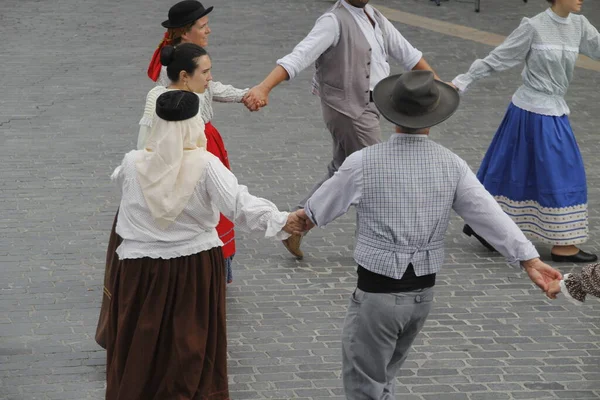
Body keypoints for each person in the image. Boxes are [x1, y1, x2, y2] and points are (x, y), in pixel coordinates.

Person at [296, 70, 562, 399]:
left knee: (364, 386)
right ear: (432, 117)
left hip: (377, 295)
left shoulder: (363, 162)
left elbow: (316, 209)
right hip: (422, 297)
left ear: (391, 113)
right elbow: (488, 214)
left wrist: (292, 222)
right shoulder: (451, 164)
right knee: (386, 379)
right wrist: (529, 259)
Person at [104, 89, 305, 400]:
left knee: (140, 342)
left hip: (139, 269)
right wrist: (282, 220)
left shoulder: (132, 162)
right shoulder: (205, 164)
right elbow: (239, 203)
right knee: (189, 345)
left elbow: (126, 193)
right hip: (193, 268)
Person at [244, 0, 439, 260]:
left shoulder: (374, 15)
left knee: (342, 170)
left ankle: (296, 223)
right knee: (380, 173)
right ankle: (389, 242)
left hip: (370, 106)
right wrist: (264, 87)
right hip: (348, 111)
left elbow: (408, 54)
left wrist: (436, 84)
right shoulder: (333, 21)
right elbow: (298, 57)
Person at [450, 0, 600, 262]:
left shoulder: (580, 25)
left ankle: (487, 228)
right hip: (530, 110)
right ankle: (563, 245)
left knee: (514, 172)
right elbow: (499, 57)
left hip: (553, 108)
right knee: (560, 171)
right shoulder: (534, 27)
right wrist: (461, 81)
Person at [148, 0, 253, 282]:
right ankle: (204, 269)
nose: (208, 30)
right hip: (192, 142)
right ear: (185, 31)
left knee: (215, 200)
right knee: (205, 203)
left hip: (206, 137)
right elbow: (165, 109)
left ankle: (215, 268)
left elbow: (210, 88)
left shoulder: (191, 57)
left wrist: (243, 95)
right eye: (203, 26)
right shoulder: (174, 69)